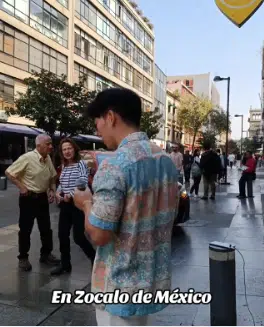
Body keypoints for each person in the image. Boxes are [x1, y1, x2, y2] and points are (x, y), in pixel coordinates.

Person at [73, 88, 178, 326]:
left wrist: (86, 203)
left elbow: (99, 234)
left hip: (119, 286)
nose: (97, 131)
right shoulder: (164, 160)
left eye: (97, 122)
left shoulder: (115, 166)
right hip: (150, 281)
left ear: (110, 117)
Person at [5, 134, 60, 271]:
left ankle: (46, 255)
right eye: (48, 144)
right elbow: (9, 172)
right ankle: (23, 258)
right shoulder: (27, 158)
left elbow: (52, 177)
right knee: (25, 230)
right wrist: (22, 187)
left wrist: (52, 190)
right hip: (28, 198)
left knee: (46, 229)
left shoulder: (47, 159)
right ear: (38, 145)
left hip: (42, 198)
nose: (51, 147)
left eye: (51, 144)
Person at [52, 138, 96, 276]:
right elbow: (62, 183)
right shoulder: (64, 166)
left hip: (77, 203)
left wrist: (70, 194)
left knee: (78, 237)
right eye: (64, 149)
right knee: (62, 235)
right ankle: (65, 265)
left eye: (69, 148)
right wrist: (58, 192)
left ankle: (94, 258)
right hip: (65, 205)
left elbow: (83, 182)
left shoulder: (81, 164)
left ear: (74, 149)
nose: (67, 151)